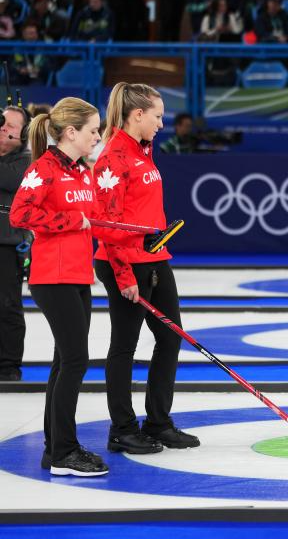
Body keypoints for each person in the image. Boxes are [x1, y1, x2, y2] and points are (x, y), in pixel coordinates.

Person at [9, 97, 116, 476]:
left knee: (64, 362)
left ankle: (54, 447)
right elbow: (21, 213)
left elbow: (95, 218)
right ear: (71, 132)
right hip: (52, 277)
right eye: (93, 130)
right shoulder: (45, 168)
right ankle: (64, 453)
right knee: (75, 361)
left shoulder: (83, 171)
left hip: (77, 275)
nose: (98, 137)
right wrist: (70, 220)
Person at [94, 83, 199, 456]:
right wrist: (124, 276)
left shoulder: (142, 149)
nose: (161, 124)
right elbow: (107, 226)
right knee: (124, 345)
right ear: (137, 115)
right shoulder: (112, 158)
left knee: (170, 337)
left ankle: (158, 422)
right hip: (123, 263)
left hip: (154, 258)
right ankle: (122, 429)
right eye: (157, 116)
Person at [0, 103, 29, 382]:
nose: (3, 129)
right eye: (2, 123)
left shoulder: (27, 160)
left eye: (10, 126)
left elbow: (9, 180)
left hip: (8, 245)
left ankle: (9, 365)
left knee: (8, 305)